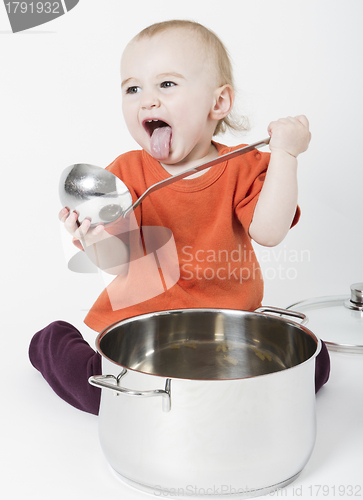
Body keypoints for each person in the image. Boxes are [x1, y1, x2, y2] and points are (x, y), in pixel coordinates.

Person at [29, 20, 330, 415]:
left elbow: (270, 231)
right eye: (133, 88)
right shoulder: (124, 174)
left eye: (166, 85)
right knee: (103, 397)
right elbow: (120, 262)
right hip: (142, 335)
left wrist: (286, 156)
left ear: (218, 103)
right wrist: (92, 238)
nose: (147, 101)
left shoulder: (244, 166)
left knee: (315, 365)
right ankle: (53, 341)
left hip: (224, 333)